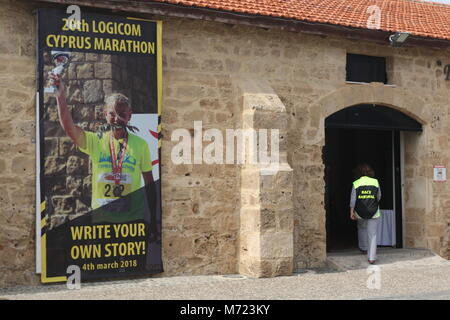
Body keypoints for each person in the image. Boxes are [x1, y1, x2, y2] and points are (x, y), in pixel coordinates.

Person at [50, 73, 156, 221]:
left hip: (132, 221)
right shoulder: (96, 141)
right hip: (102, 220)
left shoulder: (140, 144)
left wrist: (154, 220)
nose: (117, 119)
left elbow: (149, 185)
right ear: (105, 115)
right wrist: (60, 97)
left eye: (121, 114)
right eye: (112, 114)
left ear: (129, 116)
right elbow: (69, 128)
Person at [349, 164, 381, 264]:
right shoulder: (375, 182)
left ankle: (363, 248)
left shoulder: (356, 183)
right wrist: (373, 202)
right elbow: (379, 196)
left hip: (360, 211)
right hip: (374, 211)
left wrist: (351, 211)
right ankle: (372, 257)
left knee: (361, 228)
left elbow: (353, 199)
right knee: (372, 234)